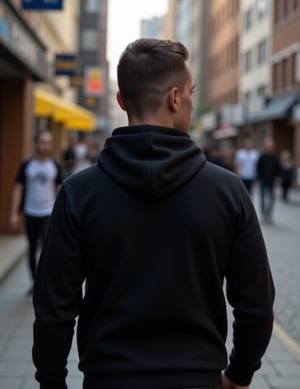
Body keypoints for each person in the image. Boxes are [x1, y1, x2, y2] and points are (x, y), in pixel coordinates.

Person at [32, 39, 275, 389]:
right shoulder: (228, 190)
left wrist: (51, 382)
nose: (190, 101)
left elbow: (53, 310)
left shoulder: (78, 192)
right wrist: (240, 372)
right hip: (197, 378)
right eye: (191, 92)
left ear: (120, 100)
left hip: (108, 378)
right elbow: (256, 304)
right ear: (175, 98)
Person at [10, 129, 62, 293]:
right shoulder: (27, 165)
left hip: (48, 212)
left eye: (48, 143)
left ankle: (44, 282)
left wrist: (61, 213)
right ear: (36, 144)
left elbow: (60, 189)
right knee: (32, 248)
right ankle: (35, 282)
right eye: (42, 143)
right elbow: (18, 189)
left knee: (46, 248)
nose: (45, 146)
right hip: (30, 212)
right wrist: (13, 213)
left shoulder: (54, 166)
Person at [256, 137, 281, 224]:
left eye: (270, 146)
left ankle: (269, 215)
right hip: (263, 180)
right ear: (265, 147)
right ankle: (263, 215)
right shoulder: (262, 156)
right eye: (267, 146)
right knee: (262, 198)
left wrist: (278, 177)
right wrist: (258, 179)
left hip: (272, 180)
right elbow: (258, 168)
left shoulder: (275, 156)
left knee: (271, 199)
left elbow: (278, 168)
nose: (269, 148)